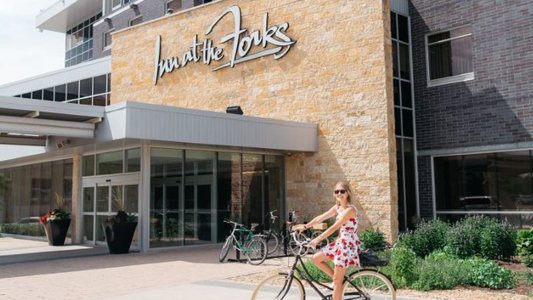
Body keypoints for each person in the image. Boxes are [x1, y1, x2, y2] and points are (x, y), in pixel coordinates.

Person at [300, 181, 360, 300]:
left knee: (337, 282)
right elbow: (321, 218)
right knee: (316, 259)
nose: (339, 194)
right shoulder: (337, 208)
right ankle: (338, 281)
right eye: (336, 192)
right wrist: (305, 226)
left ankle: (338, 284)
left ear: (347, 193)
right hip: (340, 242)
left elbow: (334, 227)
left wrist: (318, 239)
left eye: (342, 191)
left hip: (348, 245)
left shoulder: (350, 210)